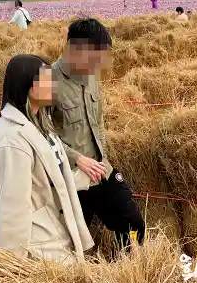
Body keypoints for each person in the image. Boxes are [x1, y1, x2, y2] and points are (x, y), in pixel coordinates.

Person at [0, 54, 94, 263]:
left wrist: (85, 178)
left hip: (54, 234)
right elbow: (12, 207)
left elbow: (50, 177)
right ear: (28, 85)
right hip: (38, 247)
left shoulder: (40, 123)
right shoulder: (11, 138)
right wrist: (14, 265)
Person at [50, 19, 145, 250]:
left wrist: (101, 154)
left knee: (132, 223)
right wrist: (77, 159)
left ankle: (130, 265)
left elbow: (97, 119)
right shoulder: (46, 79)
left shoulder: (92, 76)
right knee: (71, 244)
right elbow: (41, 134)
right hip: (71, 179)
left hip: (101, 172)